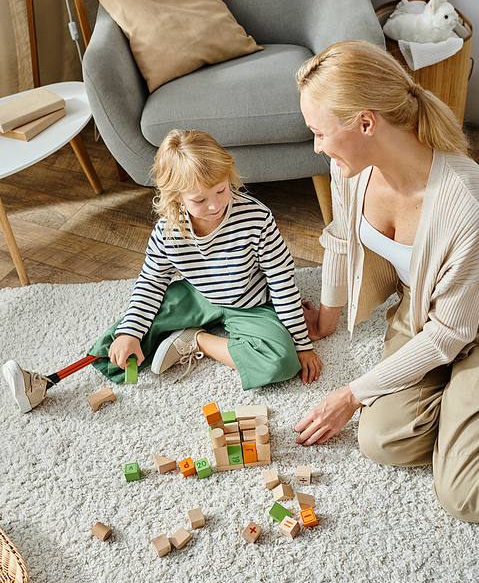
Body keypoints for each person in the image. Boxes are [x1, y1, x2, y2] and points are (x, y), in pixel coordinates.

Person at [294, 40, 479, 523]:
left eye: (320, 132)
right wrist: (326, 316)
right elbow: (341, 242)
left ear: (366, 123)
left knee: (466, 496)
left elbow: (452, 335)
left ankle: (473, 410)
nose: (317, 146)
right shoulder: (349, 169)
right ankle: (467, 414)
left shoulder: (466, 205)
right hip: (424, 310)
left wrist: (351, 393)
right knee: (381, 439)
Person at [4, 129, 321, 414]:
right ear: (176, 196)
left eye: (221, 190)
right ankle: (47, 381)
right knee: (124, 336)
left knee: (283, 360)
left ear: (229, 177)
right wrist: (130, 333)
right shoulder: (169, 230)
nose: (214, 206)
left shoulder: (256, 218)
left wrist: (303, 343)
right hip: (198, 294)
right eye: (199, 199)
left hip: (250, 300)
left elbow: (283, 284)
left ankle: (195, 341)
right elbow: (151, 283)